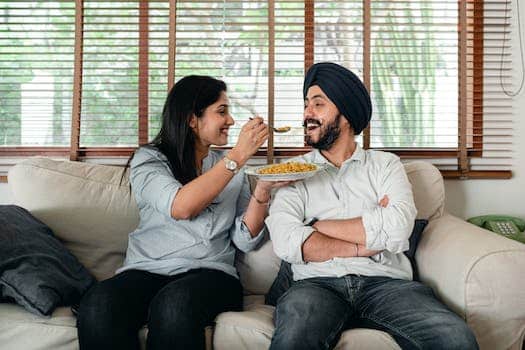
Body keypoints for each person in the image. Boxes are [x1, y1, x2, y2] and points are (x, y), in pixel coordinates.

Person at [265, 62, 479, 350]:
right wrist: (364, 241)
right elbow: (287, 241)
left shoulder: (385, 165)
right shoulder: (292, 172)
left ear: (347, 115)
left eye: (318, 104)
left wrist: (317, 227)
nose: (307, 114)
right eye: (306, 105)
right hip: (316, 285)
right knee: (294, 339)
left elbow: (398, 226)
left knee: (456, 338)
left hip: (386, 284)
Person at [77, 75, 288, 350]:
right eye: (221, 111)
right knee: (97, 304)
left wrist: (261, 193)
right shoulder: (149, 160)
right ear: (192, 119)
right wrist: (236, 157)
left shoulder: (231, 170)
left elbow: (245, 239)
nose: (231, 121)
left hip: (211, 275)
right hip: (146, 270)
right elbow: (181, 207)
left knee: (174, 304)